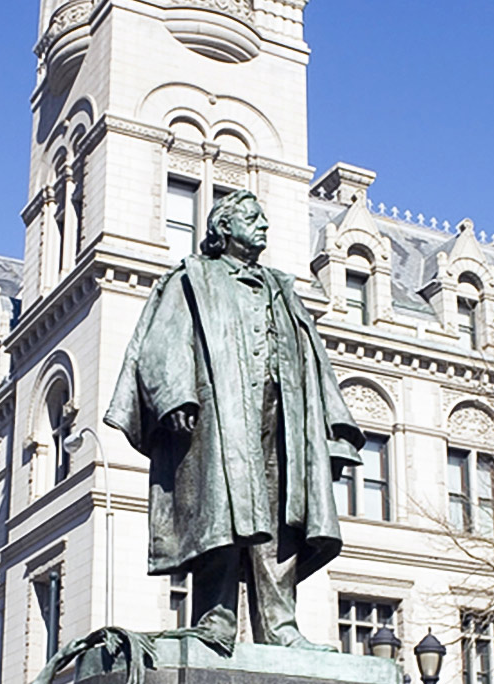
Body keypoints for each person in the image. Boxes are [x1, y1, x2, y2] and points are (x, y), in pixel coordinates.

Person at [105, 190, 364, 650]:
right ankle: (216, 621)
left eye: (265, 218)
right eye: (252, 218)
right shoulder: (194, 279)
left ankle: (280, 627)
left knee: (284, 519)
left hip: (282, 419)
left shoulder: (282, 288)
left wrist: (329, 426)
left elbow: (313, 358)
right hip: (218, 416)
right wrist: (173, 396)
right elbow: (163, 341)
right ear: (223, 228)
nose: (264, 225)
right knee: (219, 518)